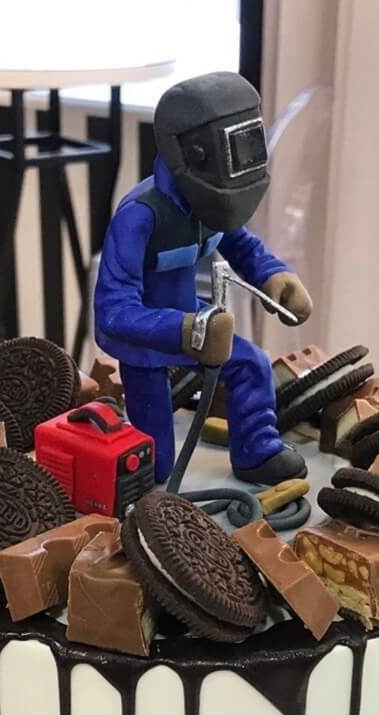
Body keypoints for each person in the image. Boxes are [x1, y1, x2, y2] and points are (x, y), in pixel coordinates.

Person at [94, 71, 313, 485]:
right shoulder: (140, 216)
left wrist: (274, 276)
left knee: (251, 364)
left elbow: (242, 244)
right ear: (193, 153)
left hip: (193, 319)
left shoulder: (207, 205)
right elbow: (113, 310)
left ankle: (256, 453)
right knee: (158, 465)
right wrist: (185, 330)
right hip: (145, 344)